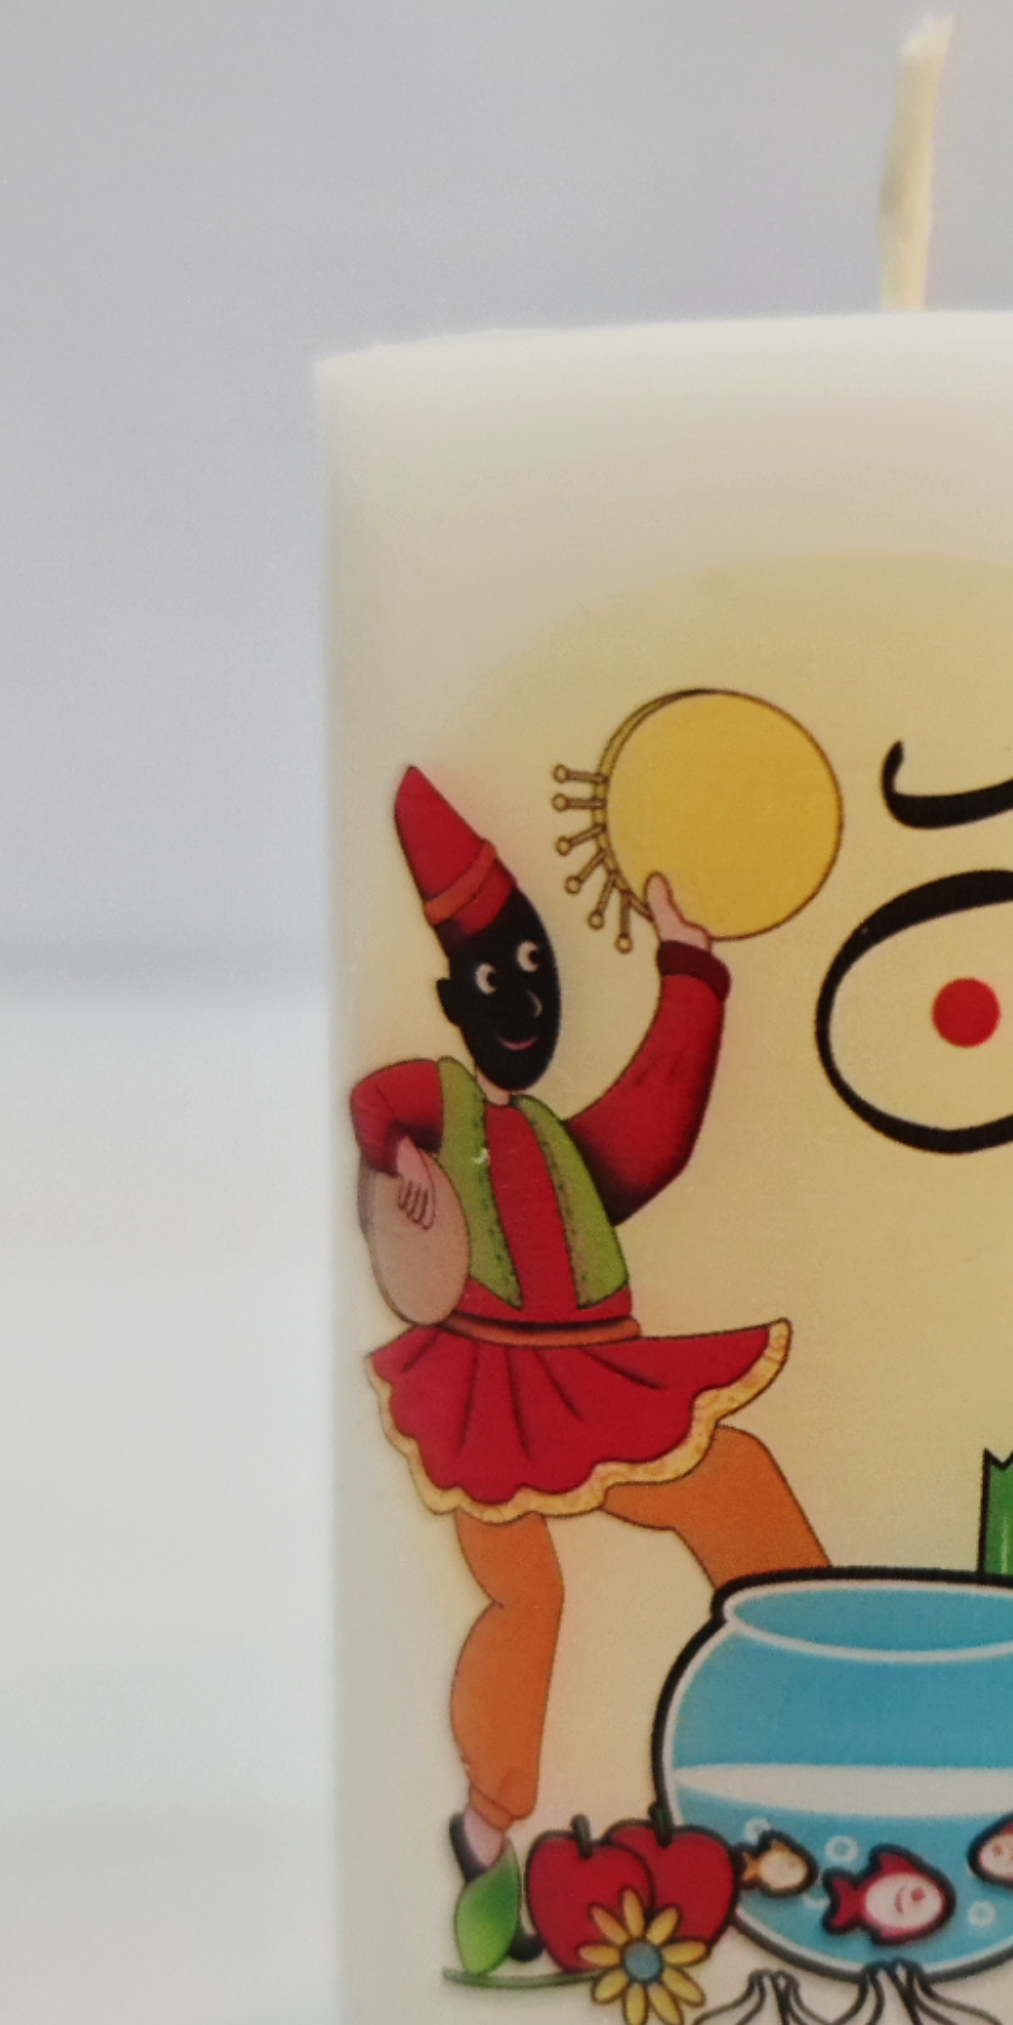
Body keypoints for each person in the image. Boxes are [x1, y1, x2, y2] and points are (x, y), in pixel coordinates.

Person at [349, 768, 825, 1908]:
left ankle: (823, 1694)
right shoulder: (444, 1107)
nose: (520, 997)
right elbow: (377, 1102)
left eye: (535, 968)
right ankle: (488, 1818)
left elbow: (650, 1129)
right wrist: (397, 1160)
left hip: (587, 1380)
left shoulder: (555, 1143)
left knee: (736, 1482)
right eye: (491, 978)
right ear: (451, 997)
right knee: (528, 1592)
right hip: (477, 1391)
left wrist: (688, 970)